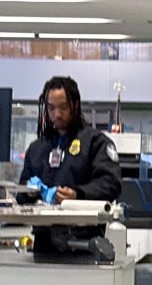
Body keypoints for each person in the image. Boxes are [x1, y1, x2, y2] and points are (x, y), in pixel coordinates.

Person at [21, 75, 122, 203]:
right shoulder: (36, 149)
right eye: (51, 108)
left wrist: (78, 194)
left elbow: (111, 184)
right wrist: (29, 193)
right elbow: (21, 190)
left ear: (75, 105)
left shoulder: (96, 143)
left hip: (82, 215)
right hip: (42, 215)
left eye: (63, 107)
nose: (57, 114)